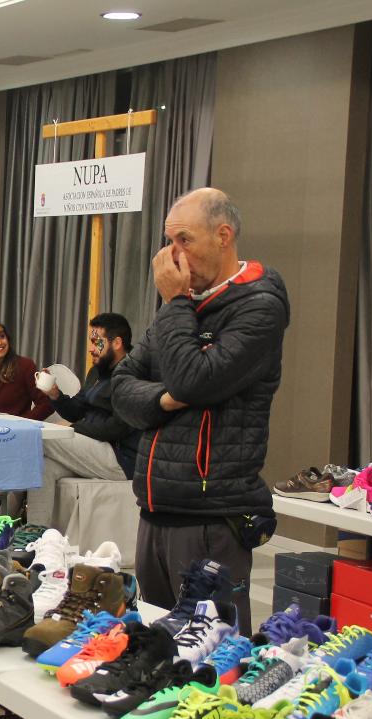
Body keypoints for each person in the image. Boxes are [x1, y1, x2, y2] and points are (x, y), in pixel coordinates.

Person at [111, 188, 289, 633]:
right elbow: (121, 388)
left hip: (211, 518)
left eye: (184, 240)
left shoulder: (259, 306)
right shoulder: (187, 308)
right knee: (156, 649)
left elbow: (195, 378)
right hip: (155, 510)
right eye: (169, 241)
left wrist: (174, 304)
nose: (174, 256)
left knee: (211, 653)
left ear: (223, 236)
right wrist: (166, 399)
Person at [22, 313, 141, 526]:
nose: (91, 348)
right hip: (95, 448)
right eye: (91, 341)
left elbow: (117, 427)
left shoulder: (133, 375)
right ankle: (37, 534)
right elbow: (77, 409)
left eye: (97, 342)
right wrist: (55, 395)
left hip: (120, 457)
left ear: (117, 342)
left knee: (38, 438)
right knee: (44, 465)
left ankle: (4, 514)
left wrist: (74, 428)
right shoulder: (97, 371)